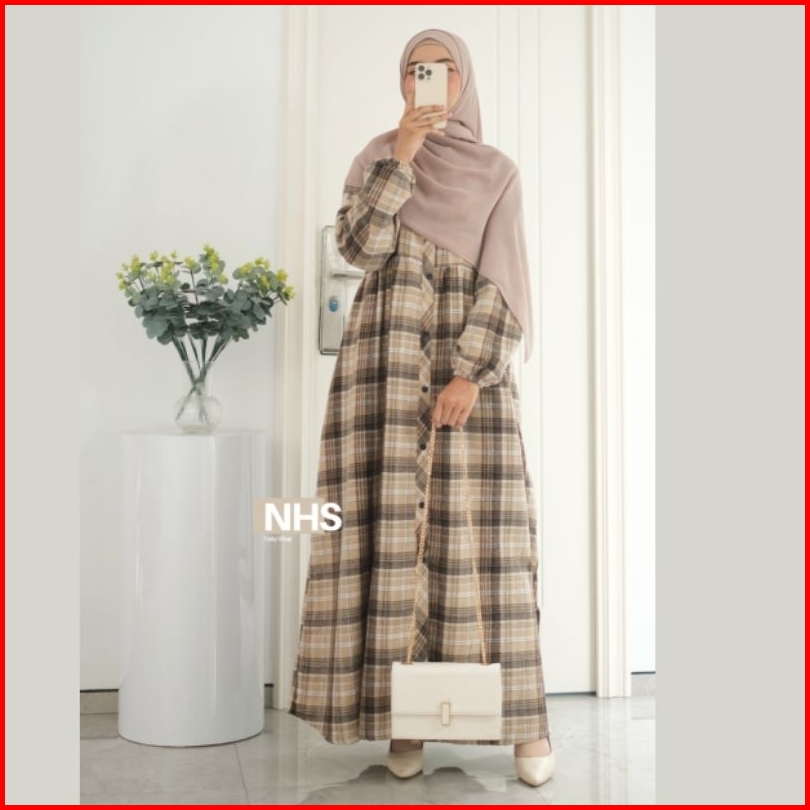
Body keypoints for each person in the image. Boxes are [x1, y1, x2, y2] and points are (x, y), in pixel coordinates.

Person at [289, 28, 554, 788]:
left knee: (487, 542)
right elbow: (359, 249)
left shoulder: (497, 172)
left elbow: (506, 281)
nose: (425, 82)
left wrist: (471, 373)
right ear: (402, 82)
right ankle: (405, 721)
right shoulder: (376, 156)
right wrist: (401, 156)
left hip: (467, 379)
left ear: (462, 80)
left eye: (439, 71)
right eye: (414, 70)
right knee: (385, 537)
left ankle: (525, 727)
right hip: (381, 370)